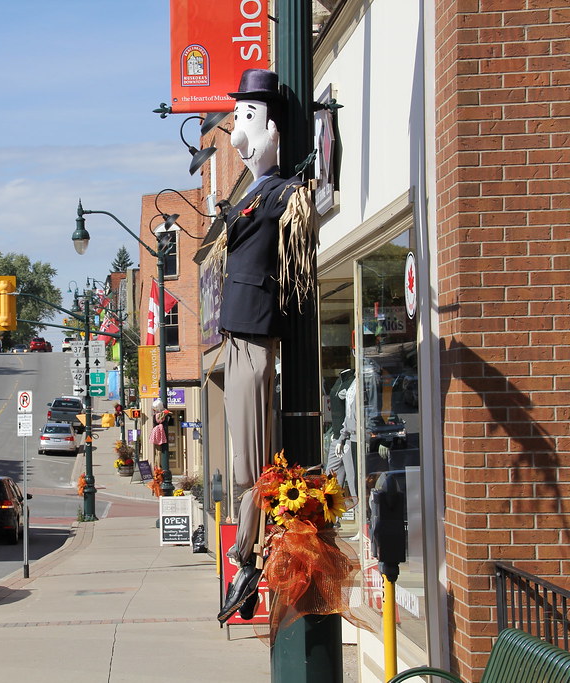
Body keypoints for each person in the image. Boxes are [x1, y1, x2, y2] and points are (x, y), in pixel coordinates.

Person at [216, 68, 317, 623]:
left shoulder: (282, 192)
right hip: (237, 330)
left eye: (248, 117)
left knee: (253, 459)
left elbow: (294, 253)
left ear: (274, 131)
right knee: (239, 459)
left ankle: (251, 558)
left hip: (256, 329)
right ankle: (249, 557)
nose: (238, 126)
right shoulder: (254, 190)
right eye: (237, 116)